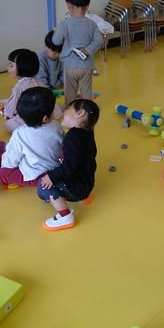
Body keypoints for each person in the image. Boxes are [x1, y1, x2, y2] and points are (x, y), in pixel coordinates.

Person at [39, 98, 99, 231]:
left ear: (80, 113)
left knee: (43, 186)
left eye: (67, 109)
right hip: (86, 184)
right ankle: (85, 197)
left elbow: (70, 165)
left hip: (75, 189)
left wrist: (52, 176)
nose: (63, 112)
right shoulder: (88, 132)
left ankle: (65, 216)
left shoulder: (73, 136)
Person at [52, 0, 104, 106]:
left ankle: (70, 111)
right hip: (86, 66)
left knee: (70, 93)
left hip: (70, 66)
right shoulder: (92, 24)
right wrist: (88, 50)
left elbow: (56, 41)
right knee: (87, 92)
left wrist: (57, 31)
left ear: (68, 5)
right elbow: (99, 40)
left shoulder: (64, 24)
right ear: (87, 6)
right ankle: (87, 111)